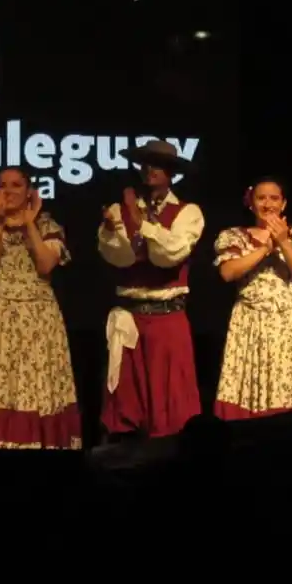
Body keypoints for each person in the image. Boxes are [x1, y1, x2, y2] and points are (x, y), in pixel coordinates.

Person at [0, 168, 81, 449]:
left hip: (37, 321)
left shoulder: (47, 226)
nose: (8, 191)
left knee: (34, 386)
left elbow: (46, 264)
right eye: (2, 185)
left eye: (16, 185)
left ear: (30, 191)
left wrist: (30, 223)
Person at [97, 140, 203, 439]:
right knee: (127, 403)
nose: (148, 170)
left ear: (171, 172)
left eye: (156, 164)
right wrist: (115, 226)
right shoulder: (121, 209)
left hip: (166, 319)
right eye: (145, 163)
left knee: (170, 403)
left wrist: (140, 223)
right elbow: (119, 257)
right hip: (131, 315)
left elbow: (168, 254)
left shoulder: (188, 212)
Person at [212, 178, 292, 419]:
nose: (268, 204)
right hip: (250, 324)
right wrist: (265, 248)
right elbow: (228, 272)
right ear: (251, 204)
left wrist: (283, 242)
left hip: (290, 325)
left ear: (284, 204)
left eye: (274, 198)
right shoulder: (235, 236)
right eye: (261, 198)